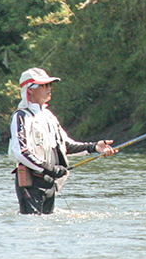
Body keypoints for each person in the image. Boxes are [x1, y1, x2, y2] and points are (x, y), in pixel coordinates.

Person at [8, 67, 116, 214]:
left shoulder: (49, 116)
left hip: (50, 182)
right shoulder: (21, 116)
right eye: (44, 85)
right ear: (30, 89)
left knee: (48, 228)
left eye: (49, 85)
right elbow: (21, 151)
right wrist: (50, 169)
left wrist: (95, 147)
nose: (49, 88)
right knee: (32, 227)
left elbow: (65, 146)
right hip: (31, 183)